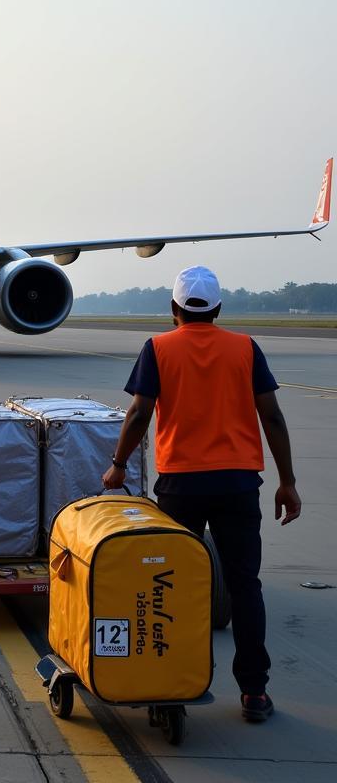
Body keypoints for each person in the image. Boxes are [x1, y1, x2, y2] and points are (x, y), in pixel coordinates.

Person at [103, 265, 300, 724]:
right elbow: (271, 416)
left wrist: (117, 466)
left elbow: (138, 414)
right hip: (237, 484)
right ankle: (253, 691)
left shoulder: (158, 348)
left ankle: (174, 684)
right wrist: (286, 481)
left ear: (173, 310)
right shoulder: (245, 348)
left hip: (180, 486)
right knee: (245, 585)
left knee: (172, 585)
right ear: (218, 309)